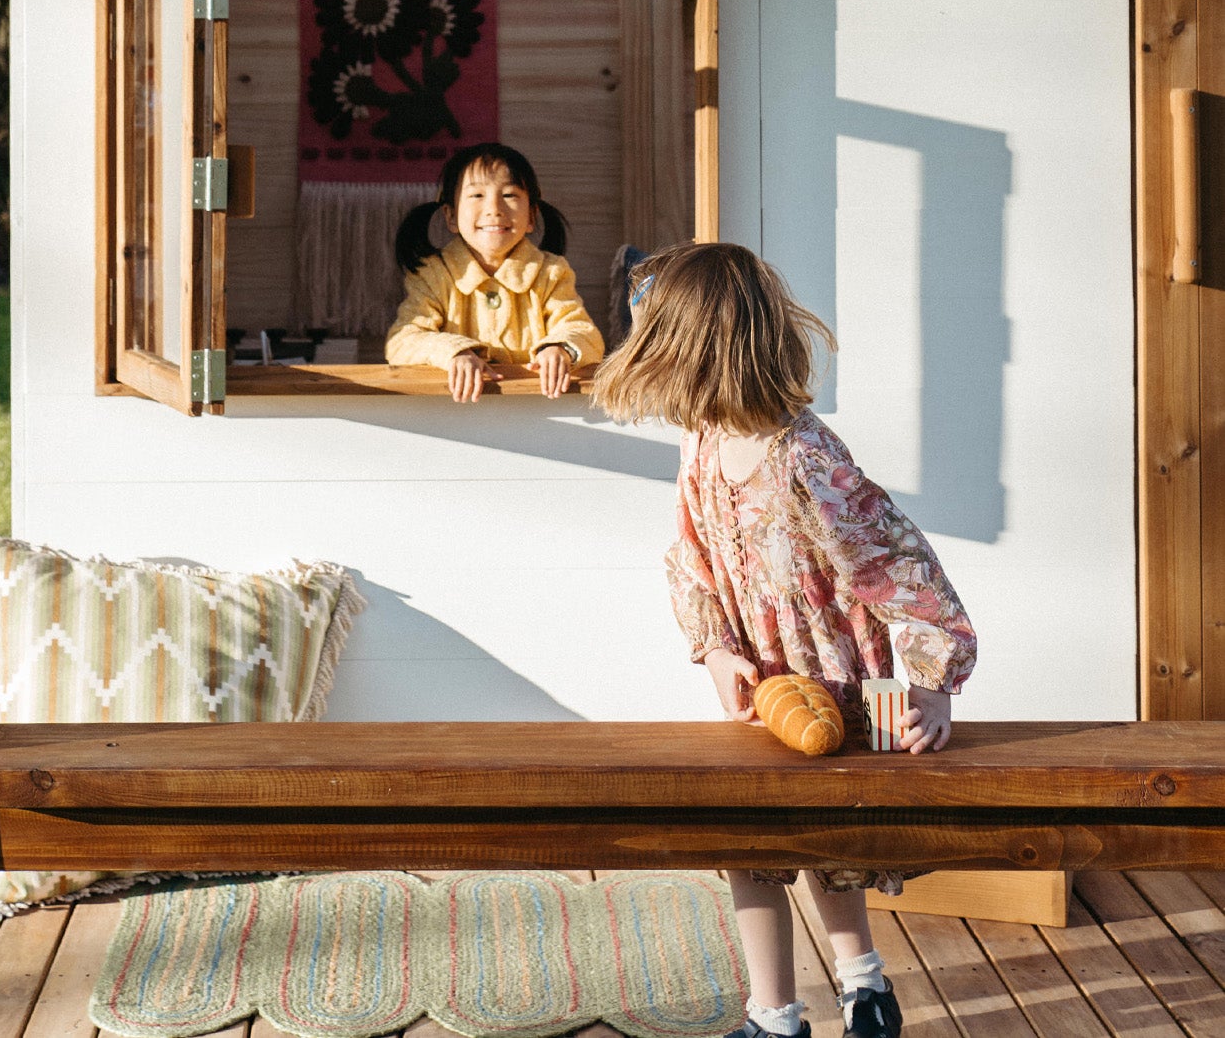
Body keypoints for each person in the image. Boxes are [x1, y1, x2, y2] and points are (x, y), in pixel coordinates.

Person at [591, 242, 977, 1038]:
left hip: (835, 680)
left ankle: (865, 988)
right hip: (760, 688)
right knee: (749, 846)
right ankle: (774, 1016)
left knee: (830, 850)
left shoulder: (803, 456)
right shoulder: (701, 443)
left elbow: (891, 557)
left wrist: (934, 675)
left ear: (702, 349)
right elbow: (690, 555)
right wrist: (716, 647)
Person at [385, 142, 604, 402]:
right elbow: (401, 341)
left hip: (534, 410)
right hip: (456, 411)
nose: (494, 209)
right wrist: (455, 353)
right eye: (477, 196)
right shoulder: (433, 274)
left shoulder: (551, 272)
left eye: (510, 195)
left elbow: (585, 333)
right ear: (451, 216)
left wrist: (560, 349)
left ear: (532, 216)